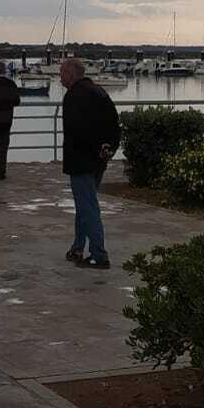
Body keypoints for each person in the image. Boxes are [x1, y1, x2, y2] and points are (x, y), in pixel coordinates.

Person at [60, 58, 119, 270]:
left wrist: (94, 148)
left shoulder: (74, 96)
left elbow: (77, 130)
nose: (60, 77)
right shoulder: (99, 92)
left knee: (88, 207)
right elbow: (114, 122)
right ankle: (77, 247)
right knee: (84, 205)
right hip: (98, 159)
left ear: (72, 74)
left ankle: (98, 255)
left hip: (81, 159)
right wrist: (108, 148)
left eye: (62, 72)